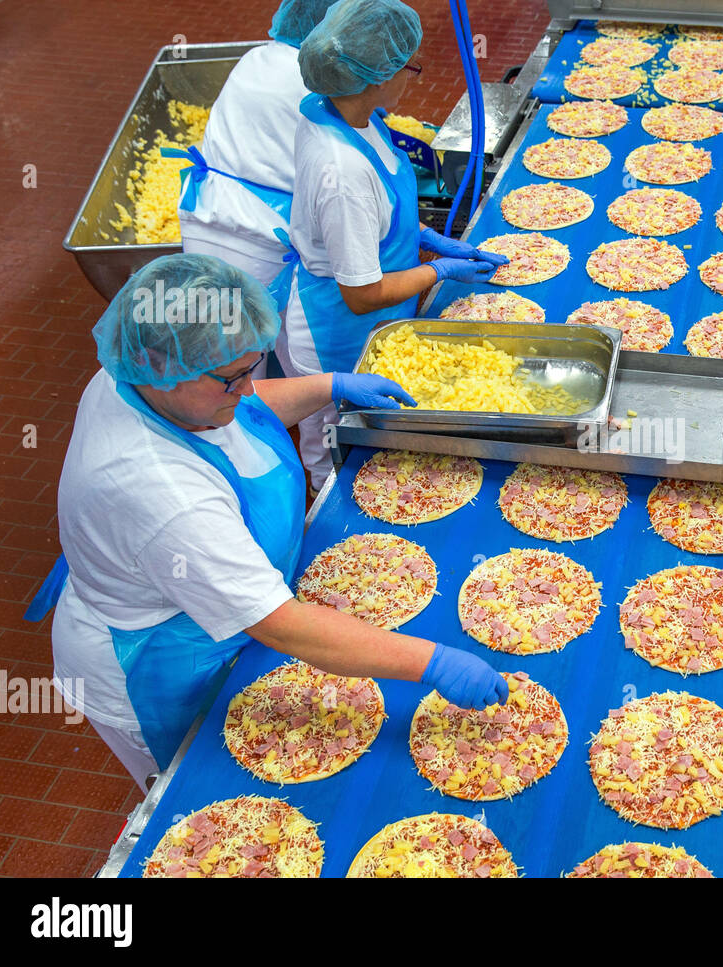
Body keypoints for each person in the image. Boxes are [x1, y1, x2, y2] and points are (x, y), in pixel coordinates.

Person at [27, 255, 507, 789]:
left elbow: (247, 406)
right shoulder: (162, 493)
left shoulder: (152, 373)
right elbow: (279, 623)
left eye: (251, 367)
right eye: (233, 377)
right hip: (163, 661)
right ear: (162, 367)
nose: (247, 387)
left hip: (210, 601)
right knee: (211, 781)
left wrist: (329, 386)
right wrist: (433, 663)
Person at [275, 0, 506, 491]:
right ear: (375, 78)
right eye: (409, 68)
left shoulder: (344, 112)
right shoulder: (343, 173)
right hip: (341, 335)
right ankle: (321, 498)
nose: (413, 78)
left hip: (376, 319)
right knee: (339, 451)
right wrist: (439, 270)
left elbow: (379, 213)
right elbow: (362, 294)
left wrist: (423, 236)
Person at [175, 0, 336, 290]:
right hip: (263, 239)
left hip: (201, 215)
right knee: (260, 317)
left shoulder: (254, 57)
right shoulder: (317, 84)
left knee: (211, 314)